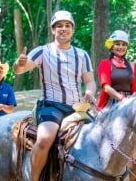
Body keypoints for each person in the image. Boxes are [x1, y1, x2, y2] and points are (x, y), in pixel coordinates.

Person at [13, 10, 96, 181]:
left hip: (77, 108)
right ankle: (34, 178)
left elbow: (89, 81)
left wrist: (89, 92)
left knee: (100, 135)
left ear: (72, 30)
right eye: (59, 26)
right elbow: (21, 69)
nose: (63, 29)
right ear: (53, 30)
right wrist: (18, 63)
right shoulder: (42, 51)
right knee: (45, 138)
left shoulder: (82, 55)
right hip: (51, 106)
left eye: (67, 26)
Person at [97, 30, 136, 109]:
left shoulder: (134, 66)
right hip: (111, 102)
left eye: (124, 44)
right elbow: (106, 87)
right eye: (117, 44)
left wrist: (130, 101)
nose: (121, 47)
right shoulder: (105, 63)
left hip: (130, 102)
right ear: (112, 47)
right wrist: (122, 98)